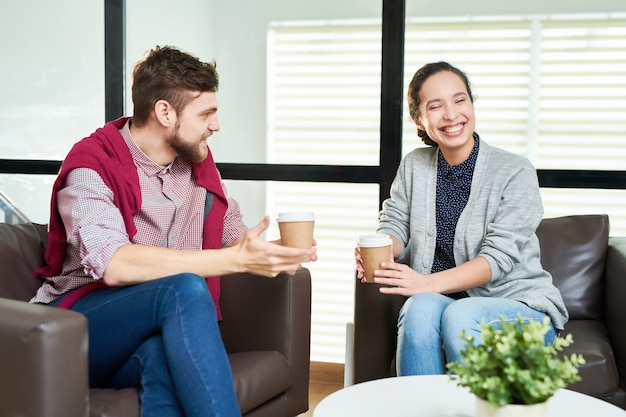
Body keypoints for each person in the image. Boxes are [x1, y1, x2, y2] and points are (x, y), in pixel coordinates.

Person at [30, 45, 317, 417]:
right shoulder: (92, 167)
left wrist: (271, 253)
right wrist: (231, 259)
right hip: (76, 331)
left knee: (164, 356)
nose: (216, 125)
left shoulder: (196, 164)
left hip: (146, 336)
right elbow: (113, 264)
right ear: (165, 112)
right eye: (207, 114)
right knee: (184, 286)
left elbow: (233, 237)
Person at [354, 61, 567, 376]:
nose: (451, 115)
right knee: (419, 307)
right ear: (419, 119)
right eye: (435, 106)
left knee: (458, 313)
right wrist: (383, 249)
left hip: (519, 308)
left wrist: (426, 282)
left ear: (471, 103)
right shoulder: (414, 165)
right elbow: (395, 221)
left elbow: (497, 259)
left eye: (459, 100)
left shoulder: (515, 171)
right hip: (444, 303)